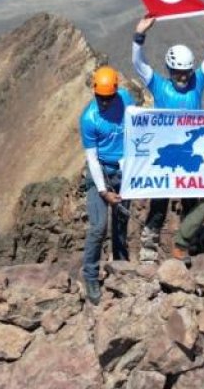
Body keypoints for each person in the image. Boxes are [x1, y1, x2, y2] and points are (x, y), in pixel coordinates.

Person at [132, 10, 204, 260]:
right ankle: (148, 249)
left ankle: (187, 244)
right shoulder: (158, 84)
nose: (182, 78)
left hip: (189, 154)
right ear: (169, 70)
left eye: (186, 73)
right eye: (177, 73)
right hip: (166, 154)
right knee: (159, 205)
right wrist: (139, 36)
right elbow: (138, 65)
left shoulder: (198, 81)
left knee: (190, 202)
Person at [78, 65, 135, 304]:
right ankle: (90, 275)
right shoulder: (89, 119)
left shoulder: (125, 100)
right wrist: (103, 191)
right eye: (100, 98)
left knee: (121, 222)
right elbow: (92, 157)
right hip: (99, 172)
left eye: (108, 98)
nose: (103, 103)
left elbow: (138, 126)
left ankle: (121, 267)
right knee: (99, 227)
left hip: (123, 171)